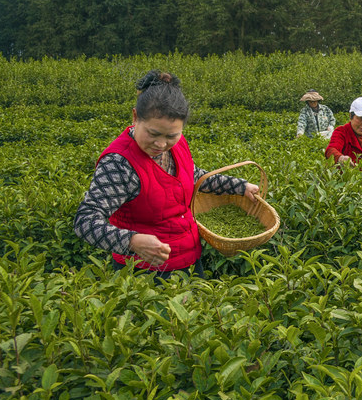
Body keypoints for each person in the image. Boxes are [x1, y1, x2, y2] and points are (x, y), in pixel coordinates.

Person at [74, 71, 260, 279]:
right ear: (135, 117)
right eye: (153, 134)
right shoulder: (120, 163)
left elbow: (191, 175)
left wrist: (239, 187)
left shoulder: (178, 145)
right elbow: (86, 221)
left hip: (189, 260)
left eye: (171, 135)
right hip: (145, 272)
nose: (161, 145)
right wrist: (132, 241)